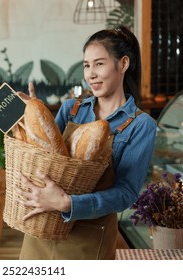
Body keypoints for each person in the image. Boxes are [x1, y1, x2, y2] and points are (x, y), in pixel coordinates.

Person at [15, 25, 157, 259]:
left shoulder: (141, 126)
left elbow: (125, 193)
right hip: (41, 231)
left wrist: (68, 203)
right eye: (87, 65)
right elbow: (45, 158)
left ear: (123, 64)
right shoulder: (71, 109)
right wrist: (31, 117)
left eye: (99, 64)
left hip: (89, 241)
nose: (90, 74)